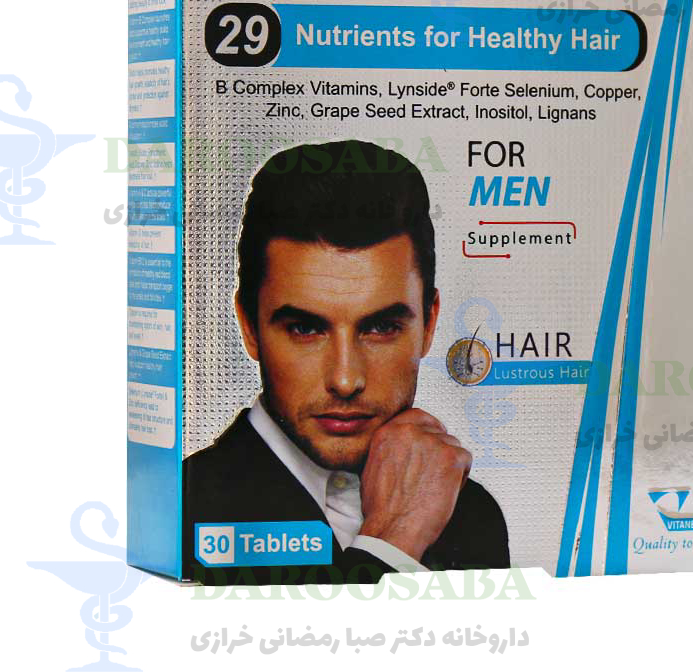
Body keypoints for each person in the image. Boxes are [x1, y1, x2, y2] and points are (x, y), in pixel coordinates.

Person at [183, 138, 510, 584]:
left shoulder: (471, 513)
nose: (344, 379)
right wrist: (391, 542)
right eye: (305, 329)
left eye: (381, 328)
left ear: (429, 324)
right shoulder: (180, 509)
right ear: (249, 326)